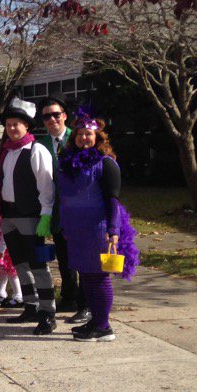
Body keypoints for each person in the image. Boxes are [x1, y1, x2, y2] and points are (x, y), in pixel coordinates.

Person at [58, 115, 139, 342]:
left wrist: (113, 231)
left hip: (98, 227)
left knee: (99, 276)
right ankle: (95, 321)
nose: (84, 138)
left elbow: (112, 200)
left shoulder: (106, 163)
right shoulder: (68, 161)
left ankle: (103, 327)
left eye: (89, 134)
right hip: (77, 228)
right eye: (80, 134)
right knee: (86, 275)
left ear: (97, 137)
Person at [0, 98, 58, 335]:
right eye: (8, 124)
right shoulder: (7, 151)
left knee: (38, 266)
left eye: (16, 124)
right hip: (9, 215)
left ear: (26, 126)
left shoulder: (36, 149)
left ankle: (48, 313)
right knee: (20, 263)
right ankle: (30, 305)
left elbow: (46, 185)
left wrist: (46, 215)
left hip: (30, 215)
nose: (11, 128)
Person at [38, 96, 87, 322]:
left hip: (79, 210)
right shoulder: (40, 145)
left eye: (56, 114)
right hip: (56, 211)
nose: (52, 119)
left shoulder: (78, 139)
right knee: (64, 257)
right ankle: (69, 297)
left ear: (64, 116)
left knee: (82, 257)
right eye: (47, 116)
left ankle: (85, 303)